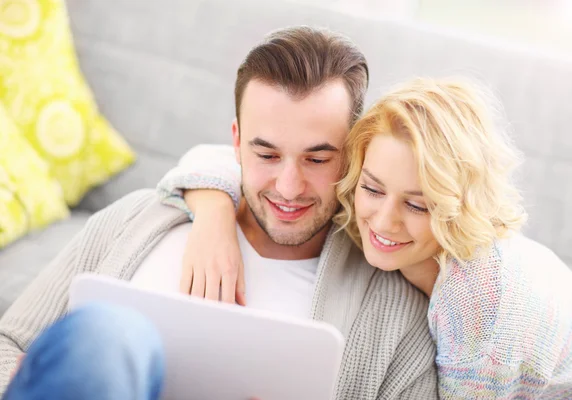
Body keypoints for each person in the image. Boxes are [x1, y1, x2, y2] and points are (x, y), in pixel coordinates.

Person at [0, 27, 437, 399]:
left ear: (353, 156)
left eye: (317, 160)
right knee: (106, 335)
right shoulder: (140, 219)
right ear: (236, 141)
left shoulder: (392, 309)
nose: (288, 188)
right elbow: (10, 341)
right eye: (265, 154)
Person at [158, 78, 572, 399]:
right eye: (372, 188)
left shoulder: (481, 308)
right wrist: (214, 217)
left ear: (459, 203)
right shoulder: (359, 205)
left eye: (418, 204)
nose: (383, 222)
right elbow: (218, 157)